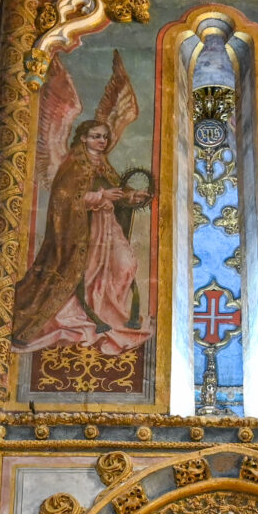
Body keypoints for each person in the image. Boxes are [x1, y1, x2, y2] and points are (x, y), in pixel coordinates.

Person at [13, 114, 152, 355]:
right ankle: (86, 316)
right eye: (96, 137)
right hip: (82, 234)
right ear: (83, 138)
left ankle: (109, 313)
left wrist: (131, 196)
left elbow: (114, 188)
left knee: (126, 265)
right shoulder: (74, 164)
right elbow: (64, 200)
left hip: (107, 228)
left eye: (104, 137)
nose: (102, 141)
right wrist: (100, 197)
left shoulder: (102, 163)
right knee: (85, 274)